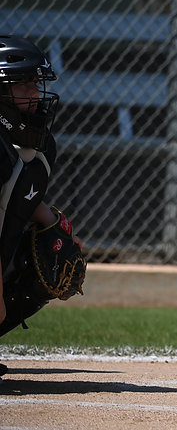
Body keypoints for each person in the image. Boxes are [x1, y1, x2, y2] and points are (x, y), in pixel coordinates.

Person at [0, 35, 83, 378]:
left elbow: (17, 193)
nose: (35, 93)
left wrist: (55, 225)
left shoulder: (40, 149)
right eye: (23, 84)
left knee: (52, 252)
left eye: (36, 82)